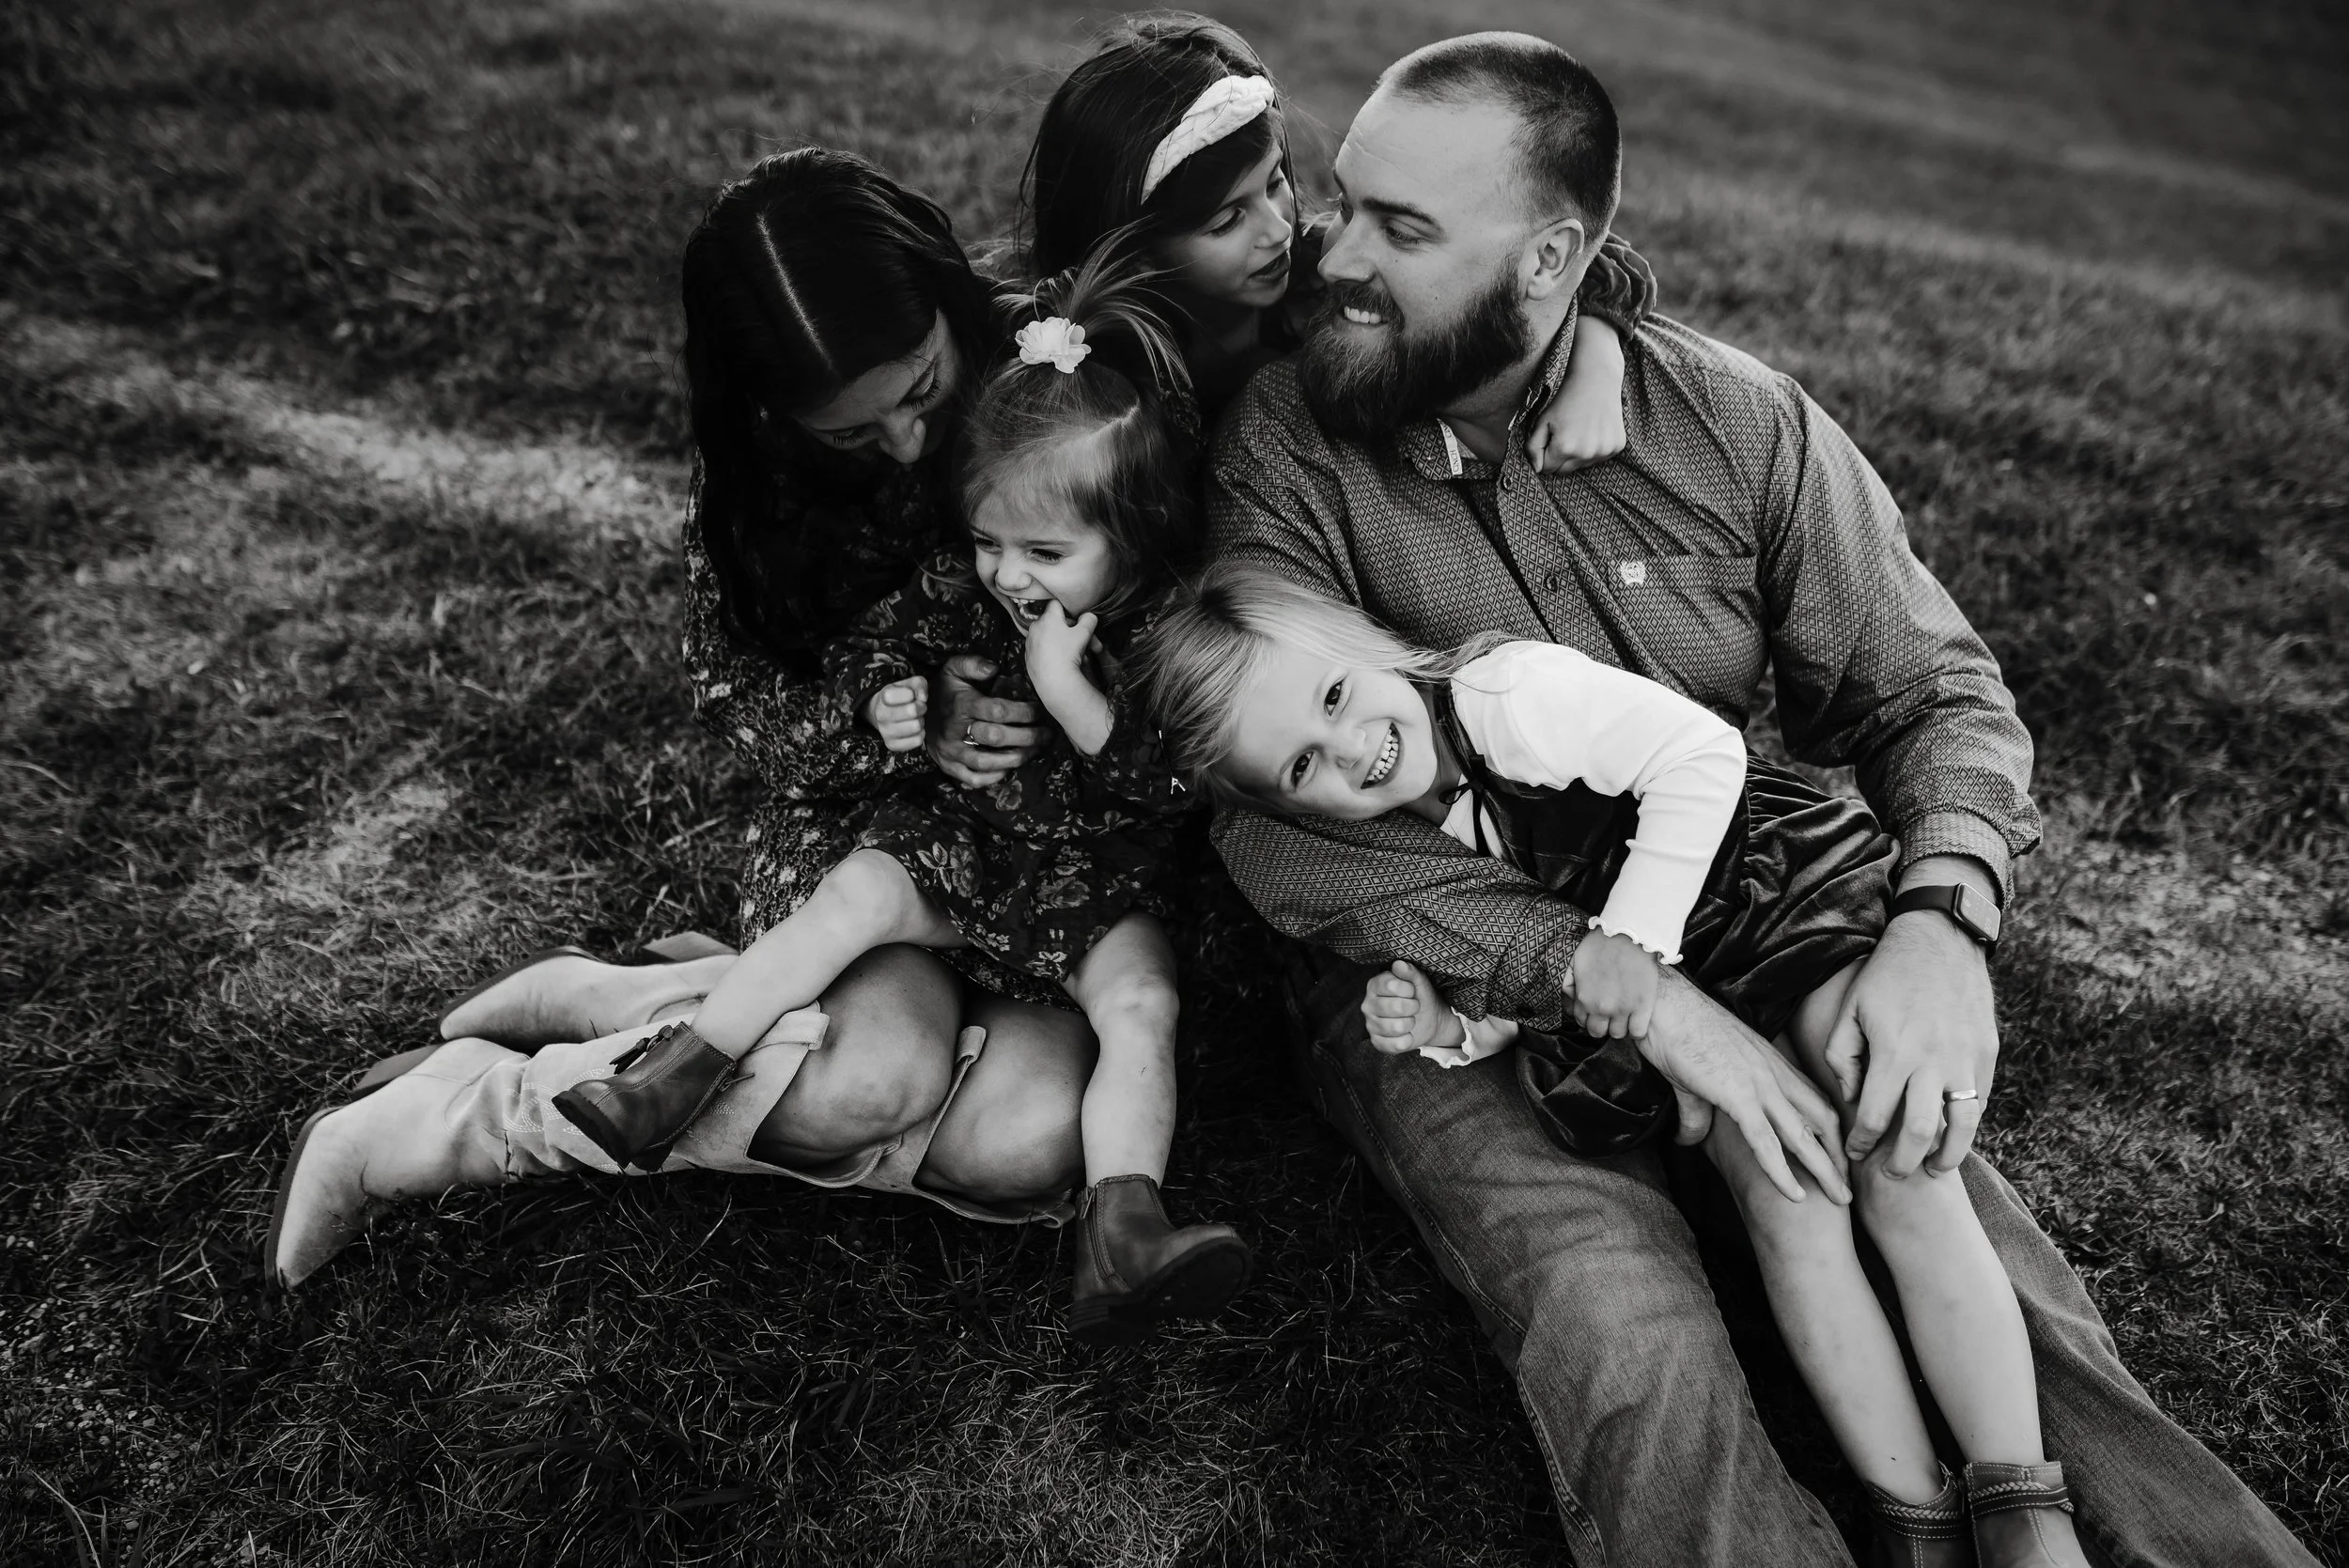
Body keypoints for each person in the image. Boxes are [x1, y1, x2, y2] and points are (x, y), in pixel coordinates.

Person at [1200, 29, 2318, 1568]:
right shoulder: (1286, 452)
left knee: (1930, 1194)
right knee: (1624, 1314)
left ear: (1549, 262)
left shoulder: (1732, 426)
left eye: (1400, 227)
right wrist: (1630, 998)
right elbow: (1280, 822)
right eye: (1344, 201)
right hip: (1440, 961)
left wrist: (1941, 919)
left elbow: (1935, 695)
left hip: (1737, 902)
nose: (1333, 253)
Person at [1143, 562, 2096, 1566]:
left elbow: (1698, 753)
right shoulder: (1416, 835)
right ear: (1289, 808)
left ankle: (2020, 1498)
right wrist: (1448, 1023)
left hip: (1773, 898)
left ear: (1363, 645)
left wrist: (1633, 948)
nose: (1348, 749)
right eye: (1301, 767)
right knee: (1791, 1198)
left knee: (1894, 1156)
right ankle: (1915, 1514)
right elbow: (1529, 981)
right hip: (1684, 979)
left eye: (1334, 696)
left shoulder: (1507, 698)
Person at [267, 149, 1105, 1288]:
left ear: (943, 298)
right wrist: (881, 716)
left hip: (1047, 861)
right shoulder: (757, 488)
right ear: (774, 410)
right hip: (861, 844)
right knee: (872, 1088)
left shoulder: (1047, 379)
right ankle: (450, 1120)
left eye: (919, 389)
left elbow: (1149, 588)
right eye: (852, 433)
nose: (908, 445)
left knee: (1033, 1145)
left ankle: (634, 999)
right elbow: (741, 703)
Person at [547, 251, 1250, 1343]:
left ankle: (1125, 1223)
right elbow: (888, 646)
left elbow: (1177, 785)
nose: (1008, 577)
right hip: (965, 842)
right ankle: (676, 1072)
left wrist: (1072, 699)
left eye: (1044, 552)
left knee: (1141, 1006)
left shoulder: (1170, 629)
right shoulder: (970, 585)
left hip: (1096, 887)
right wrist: (896, 697)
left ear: (1139, 526)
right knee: (861, 894)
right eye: (986, 543)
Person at [1020, 10, 1641, 454]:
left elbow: (1588, 251)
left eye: (1273, 183)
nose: (1275, 229)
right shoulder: (1097, 366)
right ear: (1140, 249)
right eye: (1226, 221)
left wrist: (1597, 368)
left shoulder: (1324, 267)